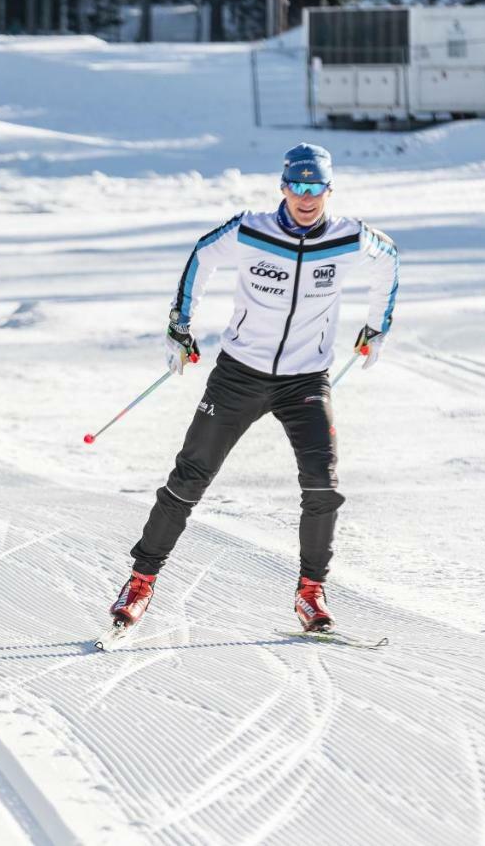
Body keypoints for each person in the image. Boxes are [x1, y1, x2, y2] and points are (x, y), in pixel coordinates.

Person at [108, 143, 399, 633]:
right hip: (240, 374)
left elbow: (389, 262)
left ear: (330, 190)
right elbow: (202, 255)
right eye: (297, 186)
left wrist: (377, 326)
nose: (306, 197)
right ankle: (140, 581)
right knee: (189, 479)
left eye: (316, 188)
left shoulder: (350, 237)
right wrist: (180, 324)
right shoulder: (250, 229)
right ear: (283, 187)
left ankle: (311, 591)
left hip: (306, 379)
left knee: (322, 483)